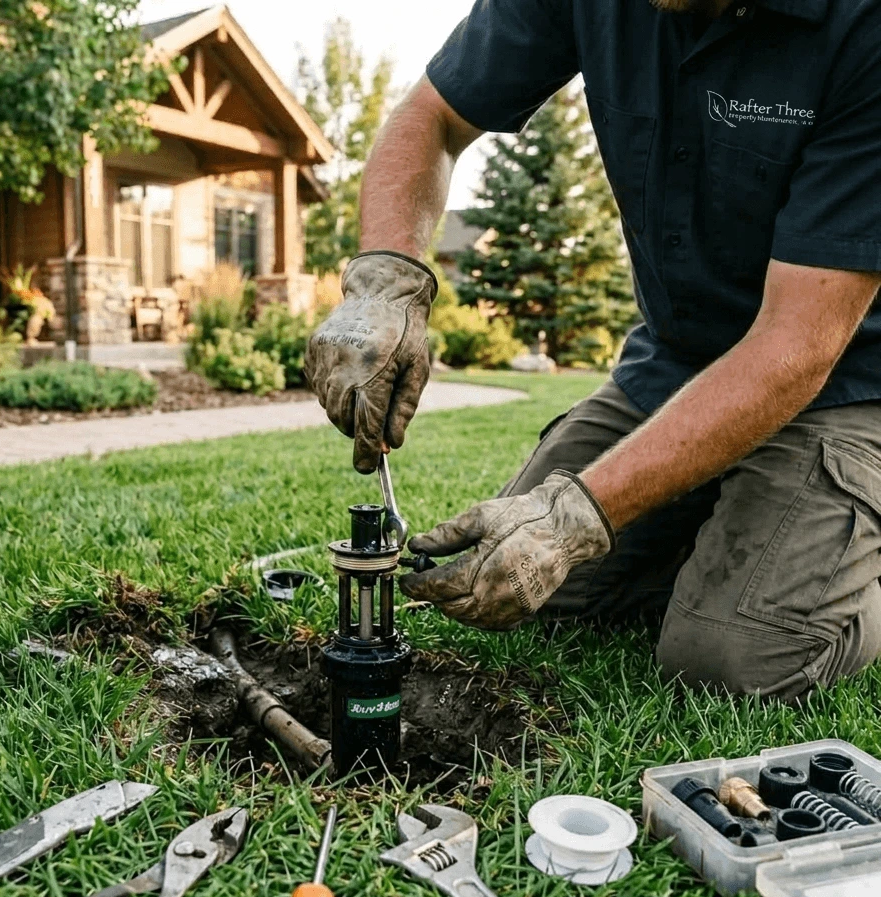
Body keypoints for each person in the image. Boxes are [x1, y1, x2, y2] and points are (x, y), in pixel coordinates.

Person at [304, 0, 881, 701]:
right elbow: (432, 118)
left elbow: (796, 348)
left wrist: (579, 516)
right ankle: (735, 522)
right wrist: (385, 282)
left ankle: (846, 555)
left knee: (733, 660)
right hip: (674, 366)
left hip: (847, 386)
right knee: (517, 587)